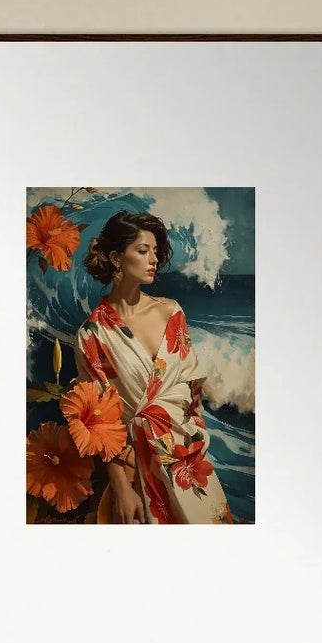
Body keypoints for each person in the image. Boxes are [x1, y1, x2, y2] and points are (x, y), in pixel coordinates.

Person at [72, 213, 236, 525]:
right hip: (134, 469)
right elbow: (100, 424)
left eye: (156, 251)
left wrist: (193, 441)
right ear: (116, 258)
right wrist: (121, 486)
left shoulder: (171, 311)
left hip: (187, 458)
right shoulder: (92, 335)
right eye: (143, 250)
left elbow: (192, 390)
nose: (154, 260)